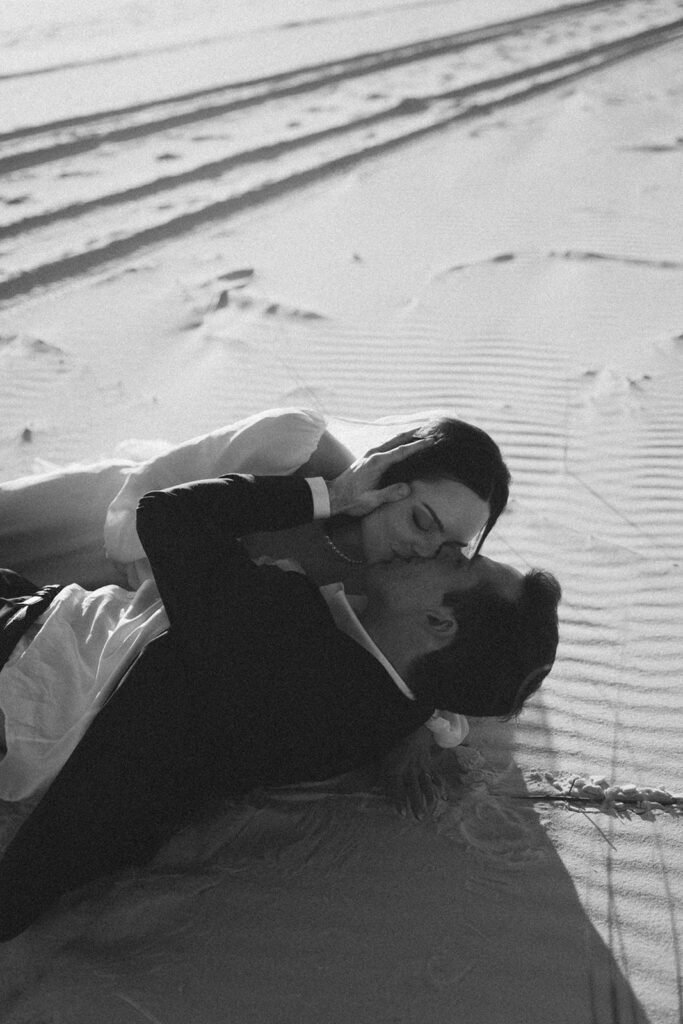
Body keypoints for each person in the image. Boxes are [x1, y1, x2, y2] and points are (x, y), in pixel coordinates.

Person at [0, 445, 561, 940]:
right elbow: (468, 678)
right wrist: (421, 725)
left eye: (456, 561)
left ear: (440, 623)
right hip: (61, 639)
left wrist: (332, 494)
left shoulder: (281, 635)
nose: (434, 551)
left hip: (30, 668)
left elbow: (167, 512)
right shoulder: (390, 703)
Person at [0, 409, 511, 807]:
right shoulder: (294, 449)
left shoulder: (388, 591)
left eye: (451, 550)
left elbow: (448, 656)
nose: (425, 553)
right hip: (107, 534)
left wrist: (412, 730)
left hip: (124, 632)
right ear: (386, 473)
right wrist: (323, 497)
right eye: (421, 521)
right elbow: (131, 524)